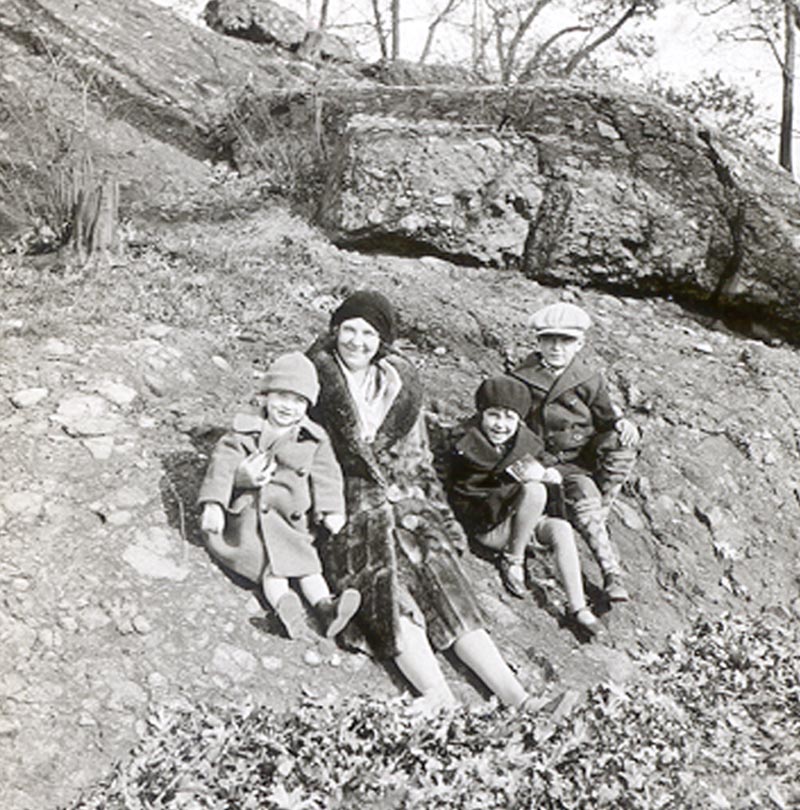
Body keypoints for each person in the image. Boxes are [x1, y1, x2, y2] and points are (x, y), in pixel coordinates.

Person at [305, 290, 534, 713]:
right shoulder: (312, 377)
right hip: (346, 508)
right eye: (349, 330)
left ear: (383, 341)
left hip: (407, 503)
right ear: (335, 330)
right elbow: (294, 444)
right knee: (387, 590)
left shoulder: (400, 385)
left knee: (445, 582)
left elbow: (420, 460)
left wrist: (439, 520)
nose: (357, 341)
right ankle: (436, 694)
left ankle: (516, 696)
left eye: (369, 333)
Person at [198, 352, 360, 640]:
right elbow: (221, 467)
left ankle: (326, 607)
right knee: (273, 568)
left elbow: (327, 476)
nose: (289, 407)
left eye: (299, 401)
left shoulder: (314, 439)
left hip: (291, 518)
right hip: (253, 516)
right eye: (282, 396)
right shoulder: (245, 431)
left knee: (308, 566)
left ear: (309, 406)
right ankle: (284, 609)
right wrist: (214, 504)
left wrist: (332, 509)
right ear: (266, 396)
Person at [447, 375, 602, 636]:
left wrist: (550, 472)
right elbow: (459, 490)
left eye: (509, 418)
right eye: (493, 415)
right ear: (481, 414)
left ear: (519, 420)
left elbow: (544, 461)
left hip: (519, 520)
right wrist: (516, 481)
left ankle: (579, 607)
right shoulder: (462, 443)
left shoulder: (525, 442)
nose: (500, 425)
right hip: (488, 524)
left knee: (560, 528)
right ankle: (513, 560)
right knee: (534, 489)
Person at [510, 302, 640, 603]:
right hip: (536, 461)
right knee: (525, 488)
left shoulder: (588, 379)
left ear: (579, 344)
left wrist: (621, 422)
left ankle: (611, 574)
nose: (556, 347)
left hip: (574, 463)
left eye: (566, 340)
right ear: (538, 342)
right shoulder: (522, 378)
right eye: (549, 340)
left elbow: (605, 416)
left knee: (589, 498)